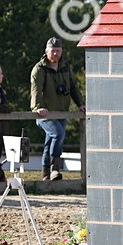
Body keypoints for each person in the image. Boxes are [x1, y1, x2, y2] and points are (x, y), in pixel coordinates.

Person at [31, 38, 84, 181]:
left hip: (62, 111)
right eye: (52, 51)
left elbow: (73, 87)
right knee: (58, 134)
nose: (55, 54)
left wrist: (80, 104)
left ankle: (46, 176)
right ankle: (55, 168)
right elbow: (36, 90)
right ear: (46, 51)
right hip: (45, 113)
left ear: (61, 51)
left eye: (58, 51)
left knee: (50, 141)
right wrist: (37, 107)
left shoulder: (65, 67)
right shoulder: (39, 69)